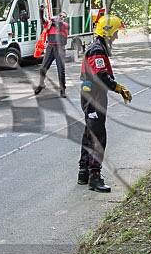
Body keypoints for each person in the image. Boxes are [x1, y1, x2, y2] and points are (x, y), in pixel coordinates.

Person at [77, 15, 132, 192]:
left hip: (92, 95)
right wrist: (119, 88)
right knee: (98, 136)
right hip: (94, 96)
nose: (116, 36)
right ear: (107, 32)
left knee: (89, 133)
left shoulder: (98, 47)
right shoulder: (97, 50)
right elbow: (101, 76)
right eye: (115, 32)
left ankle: (84, 172)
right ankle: (94, 176)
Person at [34, 12, 69, 98]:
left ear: (65, 19)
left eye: (64, 17)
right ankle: (41, 84)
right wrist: (41, 11)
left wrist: (52, 19)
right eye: (60, 16)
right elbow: (43, 20)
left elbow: (59, 22)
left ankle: (62, 90)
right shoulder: (50, 24)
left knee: (61, 69)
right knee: (43, 68)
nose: (61, 17)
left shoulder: (65, 25)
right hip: (50, 48)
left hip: (60, 48)